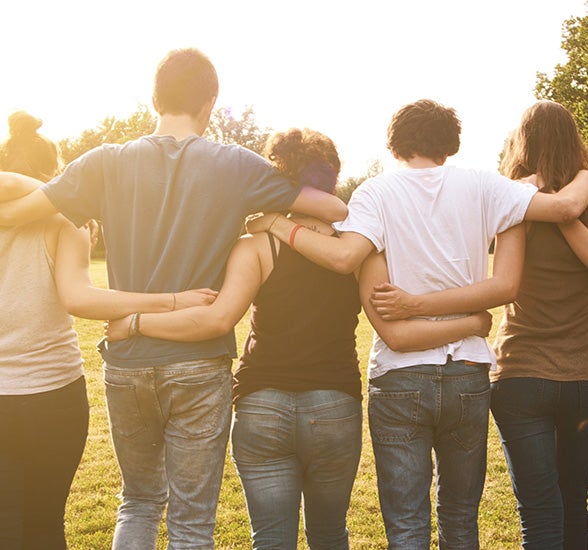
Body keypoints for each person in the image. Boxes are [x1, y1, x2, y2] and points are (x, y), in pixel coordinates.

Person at [0, 50, 346, 550]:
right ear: (210, 104)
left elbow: (14, 214)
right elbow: (332, 208)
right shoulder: (236, 165)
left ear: (153, 99)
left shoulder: (102, 163)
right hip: (198, 362)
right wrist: (270, 218)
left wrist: (35, 181)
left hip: (126, 359)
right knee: (191, 520)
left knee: (138, 501)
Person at [367, 101, 588, 549]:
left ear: (521, 143)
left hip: (522, 375)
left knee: (539, 510)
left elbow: (503, 281)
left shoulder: (514, 203)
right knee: (573, 500)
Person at [104, 127, 491, 549]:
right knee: (329, 534)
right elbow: (390, 321)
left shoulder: (255, 246)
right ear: (333, 177)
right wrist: (469, 323)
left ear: (278, 178)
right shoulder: (357, 249)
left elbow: (219, 318)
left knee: (271, 539)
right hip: (334, 405)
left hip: (261, 406)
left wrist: (137, 322)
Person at [245, 98, 588, 548]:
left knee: (407, 525)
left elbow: (351, 263)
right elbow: (564, 210)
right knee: (460, 519)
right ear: (449, 146)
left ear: (393, 146)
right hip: (467, 373)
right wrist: (587, 174)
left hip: (399, 376)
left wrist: (277, 224)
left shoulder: (374, 193)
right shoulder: (484, 185)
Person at [0, 111, 215, 550]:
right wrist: (171, 300)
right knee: (44, 526)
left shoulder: (67, 218)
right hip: (52, 394)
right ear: (52, 171)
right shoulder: (66, 221)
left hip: (37, 393)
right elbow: (79, 299)